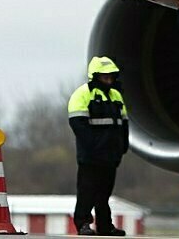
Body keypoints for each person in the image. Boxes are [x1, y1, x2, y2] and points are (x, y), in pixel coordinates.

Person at [67, 56, 129, 236]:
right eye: (105, 77)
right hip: (91, 156)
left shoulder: (116, 96)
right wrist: (93, 146)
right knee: (87, 192)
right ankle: (83, 224)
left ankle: (105, 226)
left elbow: (123, 124)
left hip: (111, 156)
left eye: (111, 76)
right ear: (95, 76)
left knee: (104, 194)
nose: (109, 80)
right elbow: (78, 124)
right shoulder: (82, 94)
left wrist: (122, 146)